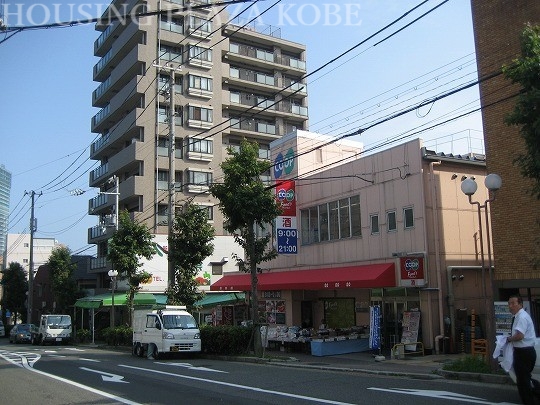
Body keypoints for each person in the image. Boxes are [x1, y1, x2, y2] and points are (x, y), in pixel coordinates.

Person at [507, 294, 537, 405]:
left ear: (520, 304)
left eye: (513, 303)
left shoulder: (522, 317)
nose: (510, 306)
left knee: (523, 382)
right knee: (525, 379)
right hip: (523, 352)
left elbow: (520, 336)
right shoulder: (518, 316)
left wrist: (508, 339)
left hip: (524, 353)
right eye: (509, 304)